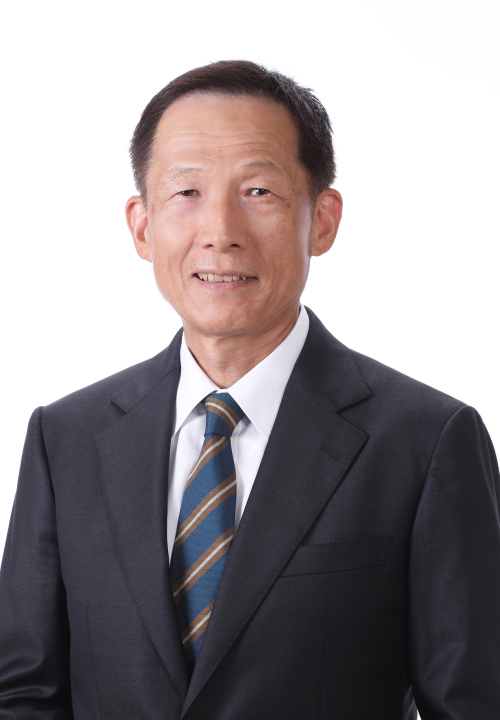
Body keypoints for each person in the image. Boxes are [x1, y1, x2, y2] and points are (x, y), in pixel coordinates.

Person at [0, 59, 499, 720]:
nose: (221, 232)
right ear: (142, 226)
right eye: (186, 192)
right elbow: (23, 695)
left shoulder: (425, 442)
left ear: (323, 219)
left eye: (258, 191)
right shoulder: (65, 439)